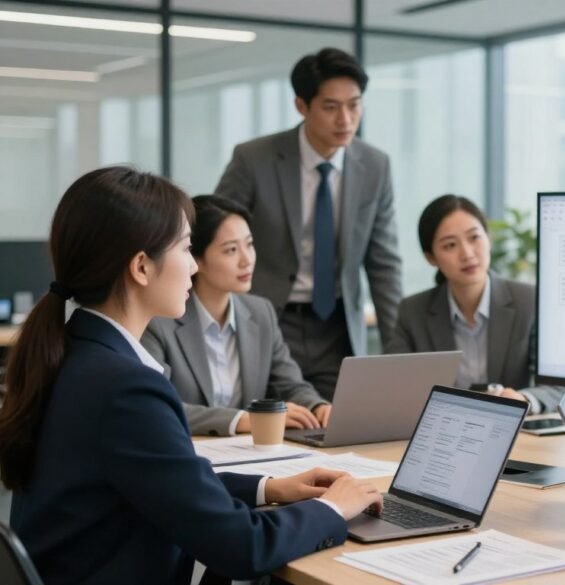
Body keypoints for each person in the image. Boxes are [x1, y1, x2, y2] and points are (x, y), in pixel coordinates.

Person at [0, 167, 382, 584]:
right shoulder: (124, 389)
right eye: (186, 249)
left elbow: (158, 477)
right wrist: (332, 508)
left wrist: (269, 488)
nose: (194, 268)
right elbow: (244, 548)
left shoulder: (74, 353)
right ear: (142, 268)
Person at [216, 47, 401, 401]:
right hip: (270, 319)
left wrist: (397, 356)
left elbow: (384, 263)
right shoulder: (254, 159)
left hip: (338, 327)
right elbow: (216, 233)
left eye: (354, 105)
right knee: (272, 425)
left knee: (337, 426)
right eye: (331, 107)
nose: (345, 119)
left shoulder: (375, 166)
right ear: (302, 106)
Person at [142, 195, 330, 437]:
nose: (247, 260)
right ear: (195, 258)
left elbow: (290, 385)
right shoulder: (158, 321)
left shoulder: (261, 313)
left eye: (249, 244)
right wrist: (243, 419)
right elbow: (158, 406)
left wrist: (317, 406)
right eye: (231, 250)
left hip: (251, 455)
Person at [386, 194, 561, 413]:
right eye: (450, 245)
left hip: (515, 434)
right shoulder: (413, 312)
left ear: (488, 238)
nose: (467, 254)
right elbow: (393, 388)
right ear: (431, 258)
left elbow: (556, 387)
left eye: (474, 237)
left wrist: (523, 400)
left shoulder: (529, 301)